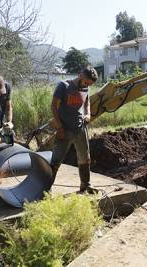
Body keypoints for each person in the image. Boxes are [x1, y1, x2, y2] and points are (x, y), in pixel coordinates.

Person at [50, 66, 98, 194]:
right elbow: (53, 106)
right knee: (56, 161)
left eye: (90, 84)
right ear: (81, 75)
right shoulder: (63, 86)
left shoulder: (86, 87)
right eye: (86, 82)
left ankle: (85, 186)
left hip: (80, 129)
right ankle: (45, 189)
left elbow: (86, 102)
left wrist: (88, 114)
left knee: (85, 158)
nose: (87, 85)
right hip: (64, 129)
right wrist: (59, 127)